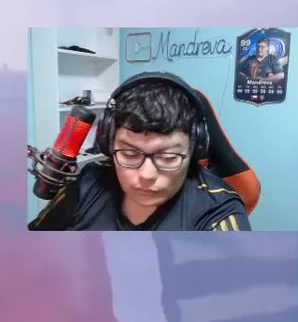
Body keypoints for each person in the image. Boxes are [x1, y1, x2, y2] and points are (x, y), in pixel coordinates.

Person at [30, 74, 251, 231]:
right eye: (129, 153)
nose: (146, 175)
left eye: (168, 158)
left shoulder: (219, 211)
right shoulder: (89, 182)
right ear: (108, 144)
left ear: (195, 148)